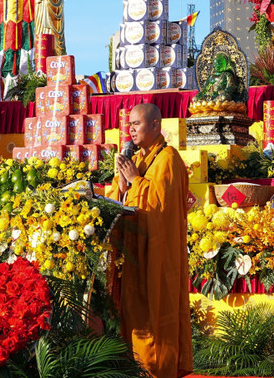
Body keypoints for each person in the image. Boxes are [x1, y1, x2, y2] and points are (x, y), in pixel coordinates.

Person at [108, 103, 192, 378]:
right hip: (134, 253)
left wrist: (134, 180)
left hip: (158, 253)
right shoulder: (139, 159)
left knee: (157, 314)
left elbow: (160, 207)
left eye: (137, 123)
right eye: (129, 124)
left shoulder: (168, 158)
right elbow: (119, 202)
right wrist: (122, 184)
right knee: (135, 316)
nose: (131, 129)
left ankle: (159, 371)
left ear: (155, 125)